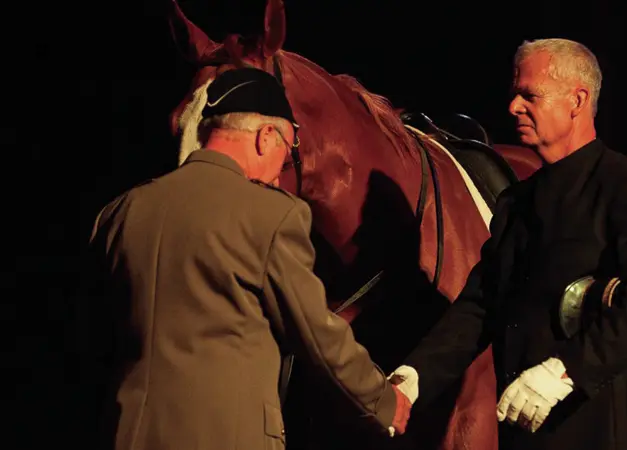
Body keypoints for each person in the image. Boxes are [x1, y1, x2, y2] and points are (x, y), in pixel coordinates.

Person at [83, 67, 411, 450]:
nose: (280, 173)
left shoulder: (118, 213)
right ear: (265, 136)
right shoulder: (272, 215)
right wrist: (381, 400)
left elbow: (94, 339)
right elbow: (317, 334)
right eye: (287, 154)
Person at [389, 38, 627, 450]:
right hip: (522, 432)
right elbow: (479, 307)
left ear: (577, 101)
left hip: (597, 428)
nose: (513, 107)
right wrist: (411, 379)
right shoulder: (517, 202)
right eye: (514, 95)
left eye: (529, 95)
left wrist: (565, 370)